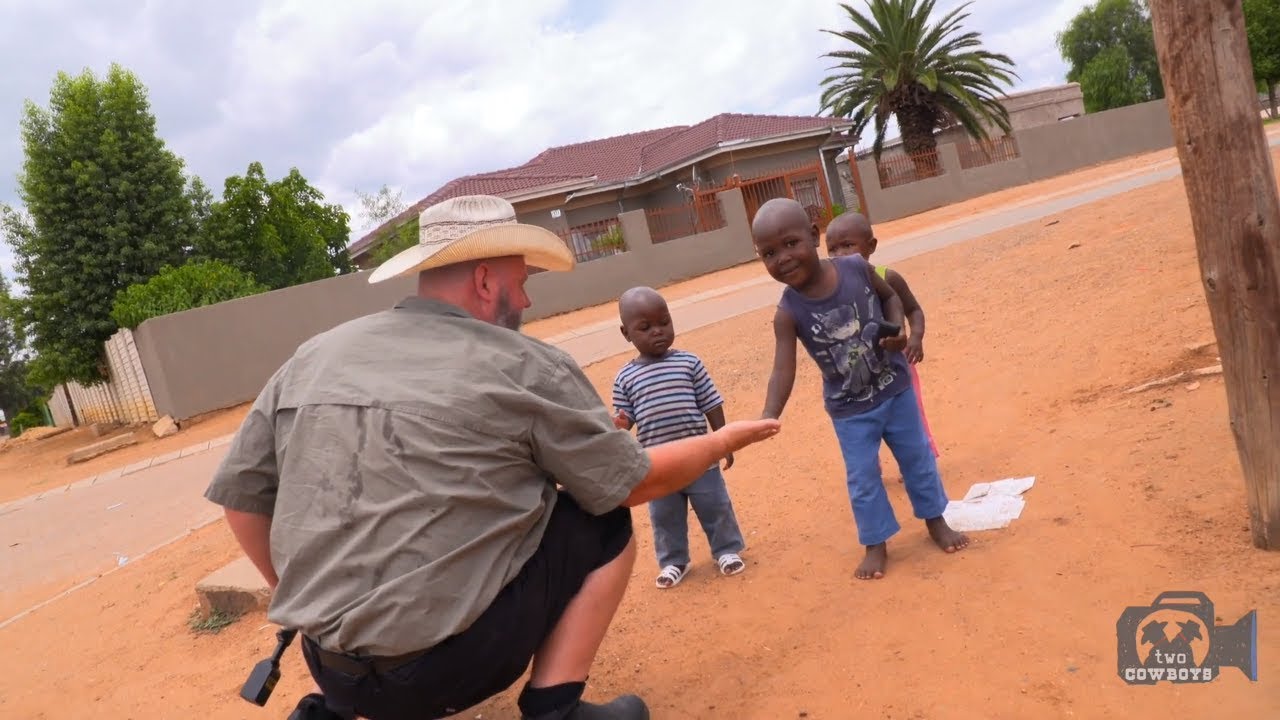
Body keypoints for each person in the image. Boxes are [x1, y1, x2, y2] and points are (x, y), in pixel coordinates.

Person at [203, 195, 781, 720]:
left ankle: (335, 709)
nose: (527, 298)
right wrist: (724, 440)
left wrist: (318, 610)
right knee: (599, 516)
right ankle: (555, 706)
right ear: (485, 280)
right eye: (522, 279)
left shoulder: (312, 356)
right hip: (450, 671)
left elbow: (243, 503)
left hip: (330, 667)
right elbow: (631, 482)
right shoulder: (526, 364)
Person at [750, 198, 966, 581]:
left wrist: (896, 329)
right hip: (851, 411)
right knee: (863, 479)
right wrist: (770, 412)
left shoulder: (855, 268)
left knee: (918, 461)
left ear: (813, 236)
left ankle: (935, 521)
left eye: (790, 243)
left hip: (895, 390)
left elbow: (890, 297)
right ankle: (876, 543)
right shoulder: (788, 312)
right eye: (769, 253)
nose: (782, 258)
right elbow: (783, 366)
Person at [610, 286, 748, 589]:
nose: (658, 332)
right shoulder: (624, 378)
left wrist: (723, 440)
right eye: (645, 328)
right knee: (664, 516)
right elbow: (625, 420)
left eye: (664, 322)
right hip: (657, 465)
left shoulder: (689, 363)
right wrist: (617, 424)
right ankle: (674, 561)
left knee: (715, 505)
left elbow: (711, 402)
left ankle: (727, 549)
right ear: (626, 333)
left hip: (700, 459)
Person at [824, 211, 939, 459]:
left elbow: (913, 309)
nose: (839, 255)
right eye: (832, 249)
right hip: (859, 370)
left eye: (848, 245)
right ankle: (868, 464)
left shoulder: (888, 277)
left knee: (910, 412)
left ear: (871, 246)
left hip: (897, 364)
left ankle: (921, 456)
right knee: (864, 422)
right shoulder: (833, 288)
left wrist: (916, 338)